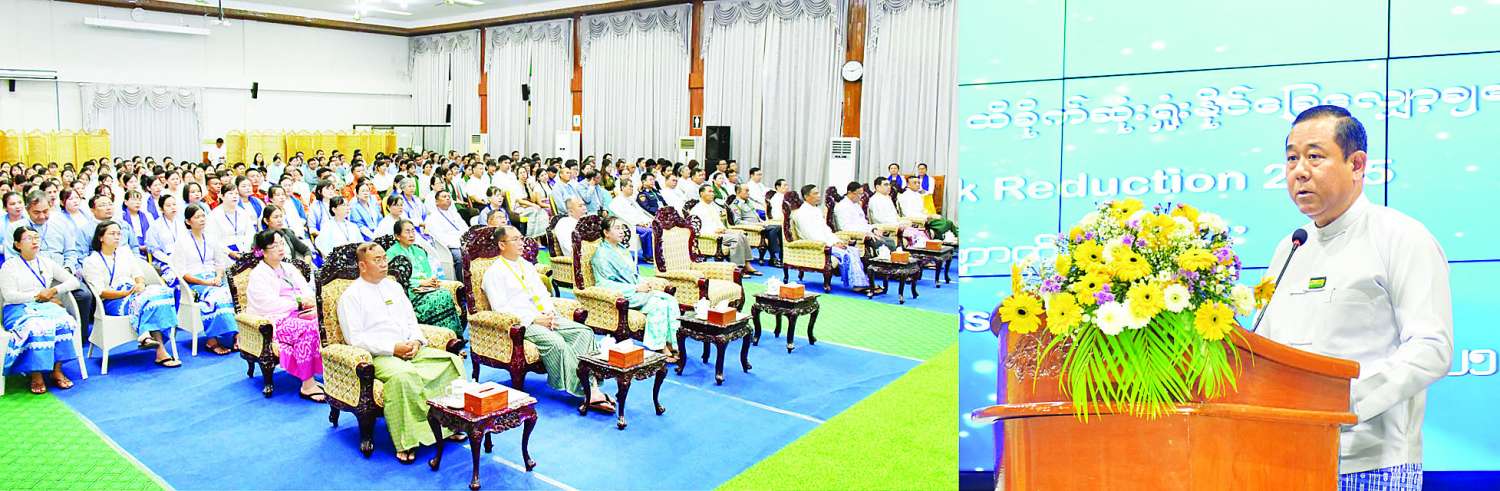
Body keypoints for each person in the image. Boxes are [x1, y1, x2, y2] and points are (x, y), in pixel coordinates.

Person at [1256, 105, 1451, 489]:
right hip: (1286, 456)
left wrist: (1341, 401)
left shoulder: (1400, 237)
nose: (1299, 171)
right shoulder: (1290, 248)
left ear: (1357, 164)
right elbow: (1266, 351)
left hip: (1371, 463)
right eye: (1292, 158)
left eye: (1314, 156)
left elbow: (1432, 348)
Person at [336, 242, 464, 464]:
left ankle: (448, 426)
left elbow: (412, 320)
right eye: (377, 260)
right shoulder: (351, 296)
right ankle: (408, 441)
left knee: (451, 362)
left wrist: (416, 341)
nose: (384, 263)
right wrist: (392, 348)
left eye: (384, 258)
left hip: (409, 347)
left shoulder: (394, 287)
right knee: (404, 377)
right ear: (362, 266)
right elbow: (355, 339)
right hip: (379, 355)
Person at [82, 221, 180, 367]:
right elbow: (101, 291)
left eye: (118, 234)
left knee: (162, 293)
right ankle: (151, 343)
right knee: (149, 300)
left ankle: (150, 341)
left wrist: (140, 284)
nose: (117, 237)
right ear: (100, 237)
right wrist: (125, 293)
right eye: (112, 234)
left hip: (134, 292)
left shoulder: (124, 253)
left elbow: (138, 274)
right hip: (112, 300)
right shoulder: (91, 261)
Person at [244, 230, 325, 402]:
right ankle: (307, 385)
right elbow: (267, 304)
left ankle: (330, 375)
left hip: (299, 311)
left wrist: (309, 303)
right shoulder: (258, 274)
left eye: (281, 243)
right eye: (274, 246)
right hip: (276, 318)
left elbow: (306, 290)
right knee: (307, 329)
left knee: (324, 321)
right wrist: (298, 304)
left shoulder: (289, 268)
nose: (281, 248)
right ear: (263, 251)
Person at [2, 228, 81, 394]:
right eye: (28, 238)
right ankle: (36, 375)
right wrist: (38, 296)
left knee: (65, 322)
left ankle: (56, 370)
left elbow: (74, 282)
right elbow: (10, 296)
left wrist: (53, 291)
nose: (34, 241)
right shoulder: (9, 266)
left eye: (36, 238)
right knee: (36, 327)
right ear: (17, 244)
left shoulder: (46, 262)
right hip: (18, 308)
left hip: (45, 304)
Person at [591, 217, 681, 362]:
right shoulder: (601, 255)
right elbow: (603, 284)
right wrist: (635, 288)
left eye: (622, 227)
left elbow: (634, 275)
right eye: (617, 228)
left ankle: (672, 343)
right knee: (659, 305)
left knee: (670, 300)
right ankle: (659, 347)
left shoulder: (622, 249)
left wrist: (644, 283)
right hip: (622, 296)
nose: (622, 231)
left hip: (636, 290)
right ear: (606, 233)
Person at [172, 203, 238, 355]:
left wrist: (218, 277)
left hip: (214, 278)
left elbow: (219, 263)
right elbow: (182, 273)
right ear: (188, 221)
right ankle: (212, 340)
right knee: (216, 296)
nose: (202, 219)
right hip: (195, 283)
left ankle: (236, 335)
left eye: (203, 216)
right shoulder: (182, 242)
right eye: (197, 217)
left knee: (233, 294)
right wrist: (205, 282)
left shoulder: (211, 238)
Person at [792, 185, 876, 293]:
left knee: (853, 250)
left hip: (827, 243)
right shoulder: (802, 213)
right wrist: (831, 244)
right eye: (815, 193)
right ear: (806, 196)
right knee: (846, 254)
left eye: (818, 193)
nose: (819, 196)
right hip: (817, 245)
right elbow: (810, 235)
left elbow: (826, 230)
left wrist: (837, 241)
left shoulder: (816, 210)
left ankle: (861, 282)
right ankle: (859, 284)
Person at [385, 219, 462, 335]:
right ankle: (439, 335)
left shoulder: (419, 250)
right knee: (441, 296)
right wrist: (420, 283)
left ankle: (453, 336)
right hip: (409, 291)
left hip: (426, 288)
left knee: (445, 293)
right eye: (407, 232)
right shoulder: (391, 253)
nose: (411, 235)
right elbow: (394, 280)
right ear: (397, 236)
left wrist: (432, 280)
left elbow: (429, 272)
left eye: (413, 231)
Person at [690, 186, 760, 275]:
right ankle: (737, 269)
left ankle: (747, 264)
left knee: (742, 234)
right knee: (736, 238)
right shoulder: (697, 209)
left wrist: (722, 228)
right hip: (711, 235)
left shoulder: (713, 206)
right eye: (710, 191)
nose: (713, 194)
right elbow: (697, 228)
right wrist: (715, 230)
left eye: (713, 192)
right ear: (702, 194)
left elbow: (718, 222)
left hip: (721, 232)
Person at [834, 182, 898, 252]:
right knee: (888, 245)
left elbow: (864, 223)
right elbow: (845, 228)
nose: (861, 197)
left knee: (890, 241)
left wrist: (873, 230)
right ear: (850, 193)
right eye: (859, 194)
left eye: (861, 194)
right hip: (858, 236)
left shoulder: (856, 205)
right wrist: (866, 233)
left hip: (867, 233)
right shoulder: (841, 206)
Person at [868, 177, 931, 247]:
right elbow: (879, 219)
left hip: (895, 224)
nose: (889, 187)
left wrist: (902, 221)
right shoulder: (875, 200)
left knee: (917, 232)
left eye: (889, 185)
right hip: (887, 227)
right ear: (877, 187)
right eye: (886, 185)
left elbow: (895, 216)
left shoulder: (887, 198)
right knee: (914, 234)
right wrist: (898, 224)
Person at [728, 185, 782, 266]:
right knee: (774, 229)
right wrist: (755, 224)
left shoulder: (748, 202)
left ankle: (781, 256)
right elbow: (737, 222)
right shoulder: (735, 205)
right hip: (751, 228)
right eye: (746, 191)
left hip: (759, 226)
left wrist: (763, 222)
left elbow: (756, 216)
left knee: (778, 227)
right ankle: (774, 257)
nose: (748, 193)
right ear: (738, 192)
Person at [609, 179, 655, 262]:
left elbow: (641, 213)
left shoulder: (631, 199)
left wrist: (647, 222)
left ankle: (658, 253)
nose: (632, 188)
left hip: (642, 223)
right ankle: (648, 256)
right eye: (630, 186)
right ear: (623, 188)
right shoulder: (616, 202)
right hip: (630, 225)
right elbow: (624, 217)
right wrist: (638, 223)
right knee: (648, 231)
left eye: (632, 186)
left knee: (657, 227)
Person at [424, 189, 466, 274]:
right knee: (460, 257)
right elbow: (439, 237)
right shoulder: (433, 217)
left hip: (463, 242)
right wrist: (458, 243)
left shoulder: (454, 213)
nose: (447, 198)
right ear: (436, 202)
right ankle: (461, 280)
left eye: (449, 197)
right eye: (444, 197)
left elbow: (464, 227)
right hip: (450, 246)